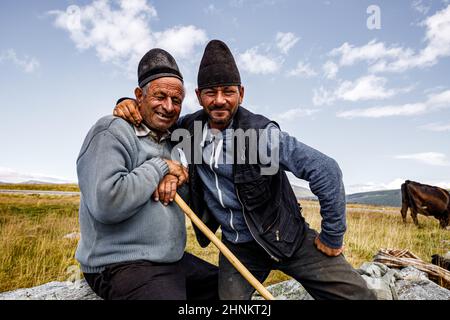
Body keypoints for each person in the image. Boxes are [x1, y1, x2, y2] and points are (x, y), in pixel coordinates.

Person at [113, 40, 376, 300]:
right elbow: (159, 118)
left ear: (241, 93)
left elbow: (326, 170)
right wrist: (131, 104)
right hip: (238, 250)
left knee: (359, 297)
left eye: (228, 91)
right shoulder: (189, 130)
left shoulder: (261, 135)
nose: (219, 101)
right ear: (198, 96)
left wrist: (332, 235)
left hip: (288, 239)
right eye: (210, 92)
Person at [76, 48, 218, 300]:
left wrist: (177, 176)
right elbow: (106, 203)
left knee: (229, 290)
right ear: (139, 95)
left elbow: (171, 190)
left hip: (170, 261)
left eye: (176, 100)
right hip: (121, 265)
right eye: (160, 96)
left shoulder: (169, 138)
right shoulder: (110, 131)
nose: (168, 106)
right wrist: (160, 166)